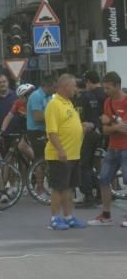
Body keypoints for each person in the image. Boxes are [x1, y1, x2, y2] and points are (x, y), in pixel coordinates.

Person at [44, 74, 86, 230]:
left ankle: (68, 217)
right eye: (74, 86)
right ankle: (54, 218)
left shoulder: (68, 103)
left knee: (68, 187)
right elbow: (52, 131)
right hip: (59, 155)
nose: (76, 89)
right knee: (58, 187)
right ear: (65, 87)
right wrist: (60, 150)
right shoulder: (54, 104)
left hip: (73, 154)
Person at [88, 71, 127, 226]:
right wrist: (114, 125)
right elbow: (106, 130)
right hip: (112, 147)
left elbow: (125, 128)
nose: (105, 92)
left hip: (125, 148)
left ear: (117, 86)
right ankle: (106, 214)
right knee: (103, 179)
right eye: (104, 88)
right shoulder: (107, 102)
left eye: (108, 88)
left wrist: (110, 122)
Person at [75, 71, 105, 207]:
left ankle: (89, 197)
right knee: (90, 165)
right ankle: (99, 191)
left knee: (84, 165)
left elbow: (80, 118)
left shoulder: (82, 97)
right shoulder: (94, 95)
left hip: (88, 133)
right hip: (98, 132)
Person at [0, 83, 35, 163]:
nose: (20, 99)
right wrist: (2, 130)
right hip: (25, 129)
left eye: (22, 97)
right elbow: (9, 116)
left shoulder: (34, 102)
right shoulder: (18, 103)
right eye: (19, 97)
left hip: (35, 129)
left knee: (22, 146)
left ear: (28, 95)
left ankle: (37, 162)